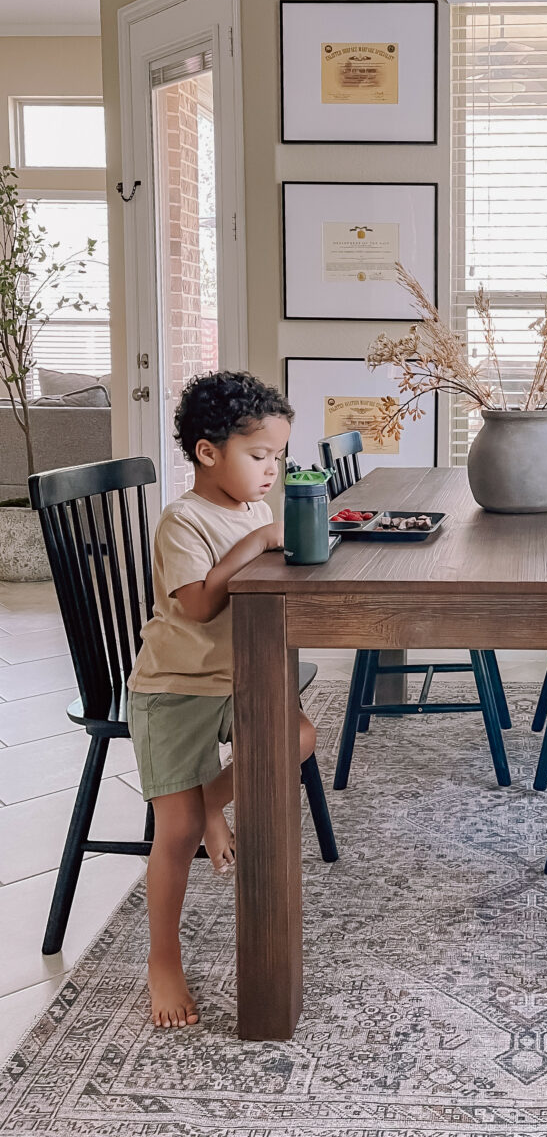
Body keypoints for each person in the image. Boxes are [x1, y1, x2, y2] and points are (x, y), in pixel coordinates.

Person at [126, 370, 316, 1029]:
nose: (271, 471)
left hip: (238, 680)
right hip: (174, 689)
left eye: (278, 458)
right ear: (209, 453)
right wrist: (257, 542)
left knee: (296, 737)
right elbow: (203, 605)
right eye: (259, 456)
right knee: (173, 833)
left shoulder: (254, 510)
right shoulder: (184, 521)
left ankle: (211, 797)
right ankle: (163, 957)